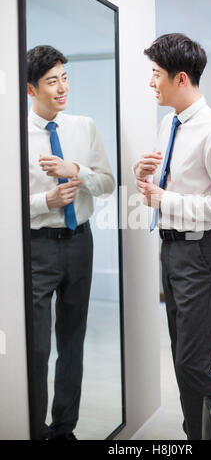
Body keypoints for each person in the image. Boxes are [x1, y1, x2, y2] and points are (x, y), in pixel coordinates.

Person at [133, 33, 211, 440]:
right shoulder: (169, 124)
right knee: (183, 361)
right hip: (171, 250)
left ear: (181, 78)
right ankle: (193, 434)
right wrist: (143, 177)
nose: (151, 83)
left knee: (193, 363)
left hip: (202, 255)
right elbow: (170, 186)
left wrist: (169, 198)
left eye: (156, 74)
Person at [27, 45, 115, 440]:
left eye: (64, 78)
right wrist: (45, 200)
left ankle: (64, 430)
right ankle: (33, 428)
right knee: (36, 348)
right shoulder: (11, 137)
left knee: (73, 342)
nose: (62, 88)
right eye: (52, 82)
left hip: (80, 242)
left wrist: (74, 170)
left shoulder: (85, 127)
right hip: (36, 248)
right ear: (31, 90)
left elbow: (108, 183)